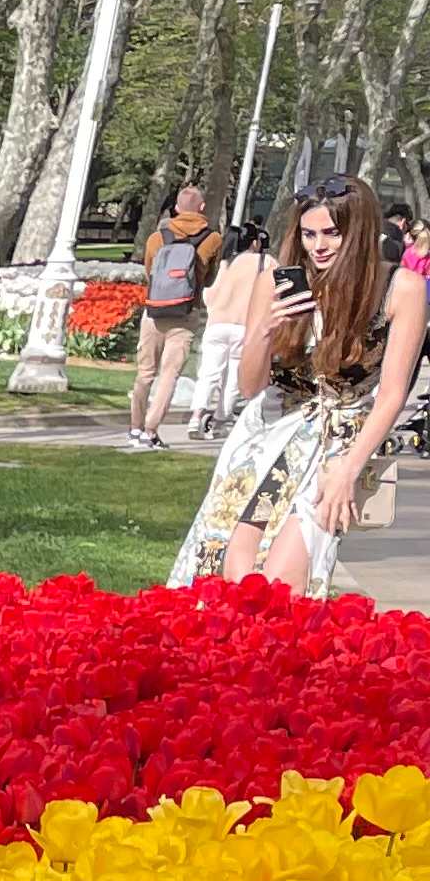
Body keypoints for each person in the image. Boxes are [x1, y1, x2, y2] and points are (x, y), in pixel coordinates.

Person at [169, 177, 429, 596]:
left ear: (359, 232)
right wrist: (263, 334)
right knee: (232, 570)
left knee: (283, 581)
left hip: (337, 442)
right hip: (270, 430)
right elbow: (251, 386)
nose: (319, 246)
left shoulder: (400, 288)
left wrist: (349, 469)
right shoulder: (278, 282)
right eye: (309, 234)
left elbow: (393, 395)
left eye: (332, 233)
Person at [128, 184, 220, 446]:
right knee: (169, 374)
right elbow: (210, 279)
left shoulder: (158, 237)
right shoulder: (212, 238)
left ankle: (134, 426)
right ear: (202, 208)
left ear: (177, 208)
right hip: (186, 311)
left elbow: (149, 272)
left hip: (154, 310)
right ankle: (150, 430)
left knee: (145, 372)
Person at [189, 220, 274, 436]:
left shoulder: (228, 263)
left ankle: (196, 417)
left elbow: (210, 295)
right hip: (243, 327)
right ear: (255, 242)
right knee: (233, 378)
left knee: (208, 374)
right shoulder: (266, 262)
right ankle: (220, 420)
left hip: (217, 324)